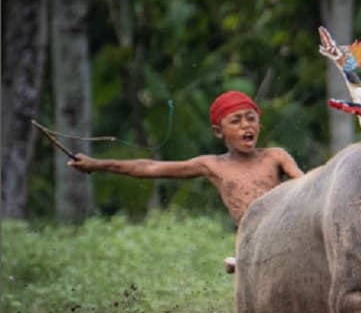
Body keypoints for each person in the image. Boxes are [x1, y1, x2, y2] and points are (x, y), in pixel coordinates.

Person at [68, 90, 304, 273]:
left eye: (251, 119)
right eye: (236, 121)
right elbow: (149, 167)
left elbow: (306, 186)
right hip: (252, 239)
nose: (246, 125)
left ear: (259, 125)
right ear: (218, 131)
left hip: (285, 232)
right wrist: (97, 164)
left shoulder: (276, 156)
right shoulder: (212, 165)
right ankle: (244, 262)